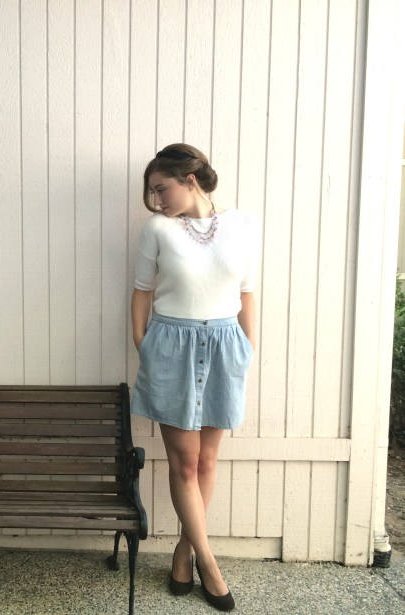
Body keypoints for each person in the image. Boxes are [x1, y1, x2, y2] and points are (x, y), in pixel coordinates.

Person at [130, 143, 258, 611]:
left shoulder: (243, 225)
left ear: (189, 179)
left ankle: (183, 552)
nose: (156, 199)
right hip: (172, 347)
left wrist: (246, 347)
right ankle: (208, 561)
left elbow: (246, 292)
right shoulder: (158, 229)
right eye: (152, 192)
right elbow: (142, 292)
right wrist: (145, 348)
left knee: (206, 463)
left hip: (225, 346)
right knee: (184, 463)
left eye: (161, 188)